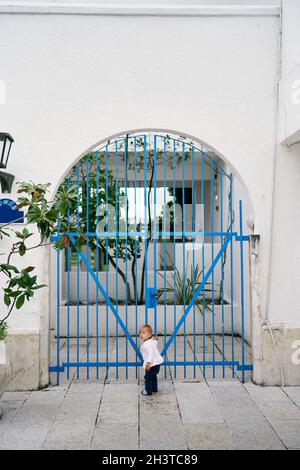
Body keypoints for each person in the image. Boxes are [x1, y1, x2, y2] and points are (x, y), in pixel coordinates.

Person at [139, 324, 164, 396]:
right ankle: (154, 389)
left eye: (144, 333)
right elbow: (155, 343)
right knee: (153, 376)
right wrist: (156, 340)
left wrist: (148, 362)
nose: (142, 334)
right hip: (157, 364)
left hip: (151, 364)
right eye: (141, 333)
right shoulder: (151, 341)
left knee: (147, 377)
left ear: (150, 334)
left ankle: (148, 391)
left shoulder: (148, 344)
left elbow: (150, 353)